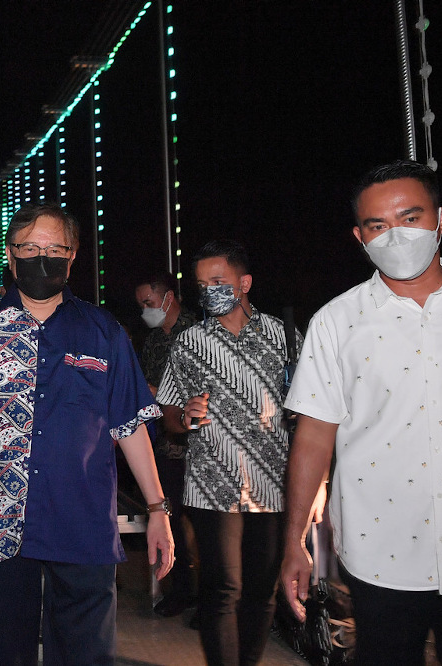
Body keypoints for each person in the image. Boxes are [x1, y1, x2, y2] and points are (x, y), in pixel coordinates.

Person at [0, 202, 174, 666]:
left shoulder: (104, 331)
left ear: (73, 255)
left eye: (55, 248)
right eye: (30, 248)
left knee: (86, 656)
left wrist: (157, 509)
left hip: (83, 523)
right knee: (2, 655)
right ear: (10, 254)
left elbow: (130, 425)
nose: (42, 258)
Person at [280, 160, 442, 666]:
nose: (396, 236)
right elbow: (313, 437)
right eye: (378, 225)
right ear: (360, 237)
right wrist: (295, 541)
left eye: (410, 218)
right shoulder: (336, 322)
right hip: (382, 551)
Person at [155, 239, 296, 666]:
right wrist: (184, 415)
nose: (209, 291)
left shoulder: (285, 336)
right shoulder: (189, 343)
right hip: (211, 483)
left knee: (261, 591)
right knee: (222, 590)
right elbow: (168, 413)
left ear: (244, 283)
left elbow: (311, 410)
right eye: (202, 285)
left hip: (272, 484)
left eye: (218, 281)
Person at [136, 272, 199, 617]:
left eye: (149, 302)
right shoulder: (153, 342)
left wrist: (162, 395)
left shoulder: (198, 333)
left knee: (204, 524)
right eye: (142, 305)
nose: (145, 310)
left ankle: (210, 595)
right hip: (165, 446)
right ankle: (182, 590)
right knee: (171, 520)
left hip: (198, 447)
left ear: (168, 297)